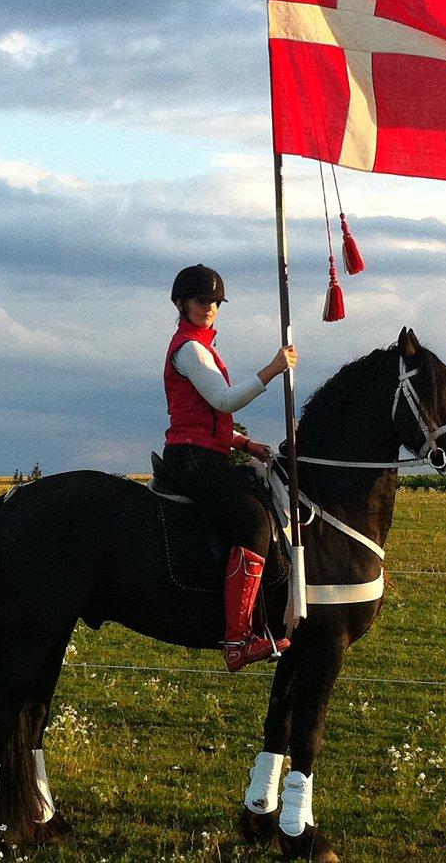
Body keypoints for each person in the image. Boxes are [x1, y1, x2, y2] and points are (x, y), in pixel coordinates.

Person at [163, 264, 298, 671]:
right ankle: (237, 640)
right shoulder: (189, 349)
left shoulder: (202, 347)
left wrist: (243, 443)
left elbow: (205, 416)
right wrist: (273, 369)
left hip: (204, 452)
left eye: (215, 302)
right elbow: (223, 401)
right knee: (254, 524)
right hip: (192, 459)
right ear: (182, 303)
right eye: (201, 300)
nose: (209, 307)